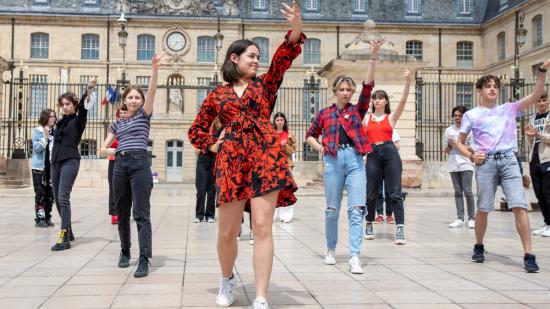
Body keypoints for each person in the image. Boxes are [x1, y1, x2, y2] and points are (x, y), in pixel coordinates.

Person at [187, 2, 302, 308]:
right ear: (234, 58)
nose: (257, 60)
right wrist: (213, 145)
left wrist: (297, 25)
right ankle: (227, 280)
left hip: (265, 159)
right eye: (251, 56)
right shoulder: (217, 95)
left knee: (263, 228)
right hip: (232, 161)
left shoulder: (265, 86)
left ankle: (261, 296)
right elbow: (196, 130)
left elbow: (283, 57)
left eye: (258, 57)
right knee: (228, 231)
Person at [455, 60, 549, 273]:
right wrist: (472, 155)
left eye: (495, 86)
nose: (492, 89)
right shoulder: (472, 115)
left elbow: (535, 95)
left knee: (519, 205)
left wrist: (542, 72)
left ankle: (528, 254)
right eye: (488, 86)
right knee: (484, 207)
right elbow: (459, 142)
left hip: (508, 160)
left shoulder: (510, 108)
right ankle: (479, 245)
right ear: (479, 90)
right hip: (486, 162)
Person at [306, 39, 384, 274]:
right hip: (332, 159)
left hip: (355, 160)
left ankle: (354, 255)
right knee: (332, 209)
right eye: (341, 89)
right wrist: (320, 148)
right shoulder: (324, 113)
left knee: (357, 208)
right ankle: (330, 249)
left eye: (349, 90)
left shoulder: (356, 110)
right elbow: (309, 135)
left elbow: (368, 85)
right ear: (334, 92)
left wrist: (372, 57)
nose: (345, 92)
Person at [100, 53, 170, 278]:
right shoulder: (117, 123)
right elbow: (103, 148)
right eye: (130, 98)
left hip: (140, 164)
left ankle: (144, 258)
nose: (133, 101)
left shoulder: (144, 115)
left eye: (136, 98)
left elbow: (151, 91)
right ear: (124, 100)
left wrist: (155, 69)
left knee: (141, 213)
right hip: (120, 166)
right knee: (121, 212)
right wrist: (111, 150)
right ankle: (124, 251)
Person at [363, 69, 411, 245]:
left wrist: (407, 81)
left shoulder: (390, 118)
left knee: (394, 193)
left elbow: (405, 100)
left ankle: (400, 229)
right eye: (375, 97)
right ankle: (369, 223)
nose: (377, 100)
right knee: (371, 193)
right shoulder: (366, 118)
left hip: (390, 154)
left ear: (386, 101)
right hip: (373, 155)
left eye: (381, 97)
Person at [50, 77, 97, 251]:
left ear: (74, 105)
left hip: (70, 161)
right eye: (62, 104)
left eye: (68, 104)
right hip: (55, 163)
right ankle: (68, 230)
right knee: (56, 199)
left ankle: (64, 238)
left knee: (63, 198)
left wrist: (89, 88)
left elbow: (85, 106)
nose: (65, 107)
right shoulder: (60, 122)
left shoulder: (79, 120)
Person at [445, 106, 476, 229]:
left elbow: (473, 148)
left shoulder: (469, 130)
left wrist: (458, 145)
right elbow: (446, 150)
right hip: (453, 163)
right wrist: (450, 144)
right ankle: (460, 218)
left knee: (467, 191)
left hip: (466, 162)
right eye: (456, 115)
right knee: (458, 192)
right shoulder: (448, 131)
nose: (457, 118)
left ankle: (472, 218)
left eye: (460, 116)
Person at [526, 92, 550, 237]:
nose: (541, 103)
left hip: (547, 158)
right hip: (534, 158)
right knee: (539, 193)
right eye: (538, 101)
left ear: (547, 102)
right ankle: (546, 222)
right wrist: (530, 136)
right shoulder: (532, 118)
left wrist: (539, 135)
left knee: (548, 192)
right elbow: (532, 142)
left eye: (543, 100)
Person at [194, 116, 222, 224]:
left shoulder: (218, 131)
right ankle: (199, 215)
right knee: (201, 190)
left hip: (214, 160)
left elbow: (218, 148)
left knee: (212, 190)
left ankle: (210, 215)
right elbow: (197, 150)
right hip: (202, 161)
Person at [31, 108, 56, 228]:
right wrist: (45, 137)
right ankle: (39, 218)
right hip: (39, 167)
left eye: (54, 116)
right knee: (40, 193)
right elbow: (36, 149)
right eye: (51, 116)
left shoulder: (55, 131)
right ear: (45, 117)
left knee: (50, 194)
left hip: (51, 167)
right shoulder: (37, 131)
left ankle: (47, 216)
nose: (53, 119)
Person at [273, 112, 297, 223]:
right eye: (277, 120)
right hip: (272, 165)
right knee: (272, 190)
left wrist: (285, 145)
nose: (279, 122)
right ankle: (271, 214)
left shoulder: (289, 134)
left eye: (281, 120)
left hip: (285, 165)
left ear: (284, 121)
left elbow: (293, 150)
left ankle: (286, 215)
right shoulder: (270, 133)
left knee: (286, 190)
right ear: (274, 121)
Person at [374, 130, 400, 224]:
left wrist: (387, 144)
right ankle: (379, 214)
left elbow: (398, 146)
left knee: (389, 190)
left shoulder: (392, 131)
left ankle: (389, 215)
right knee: (378, 189)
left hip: (389, 163)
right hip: (377, 163)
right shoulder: (374, 131)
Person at [107, 105, 128, 225]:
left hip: (127, 160)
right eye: (121, 113)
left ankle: (124, 212)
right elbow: (108, 144)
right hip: (114, 160)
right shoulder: (113, 127)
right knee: (113, 188)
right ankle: (114, 213)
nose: (123, 115)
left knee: (126, 189)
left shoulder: (132, 125)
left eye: (125, 113)